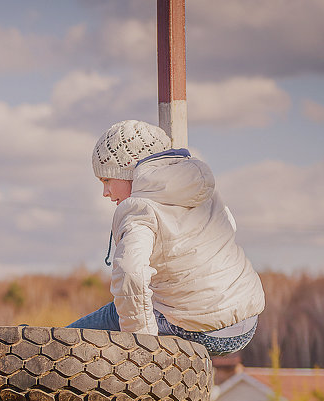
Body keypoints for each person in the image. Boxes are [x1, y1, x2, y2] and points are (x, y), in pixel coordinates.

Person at [69, 119, 265, 356]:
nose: (105, 193)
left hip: (202, 330)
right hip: (245, 321)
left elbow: (131, 273)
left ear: (129, 169)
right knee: (146, 299)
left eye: (107, 180)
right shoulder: (202, 189)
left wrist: (143, 347)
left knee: (116, 313)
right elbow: (229, 227)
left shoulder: (139, 208)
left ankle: (50, 348)